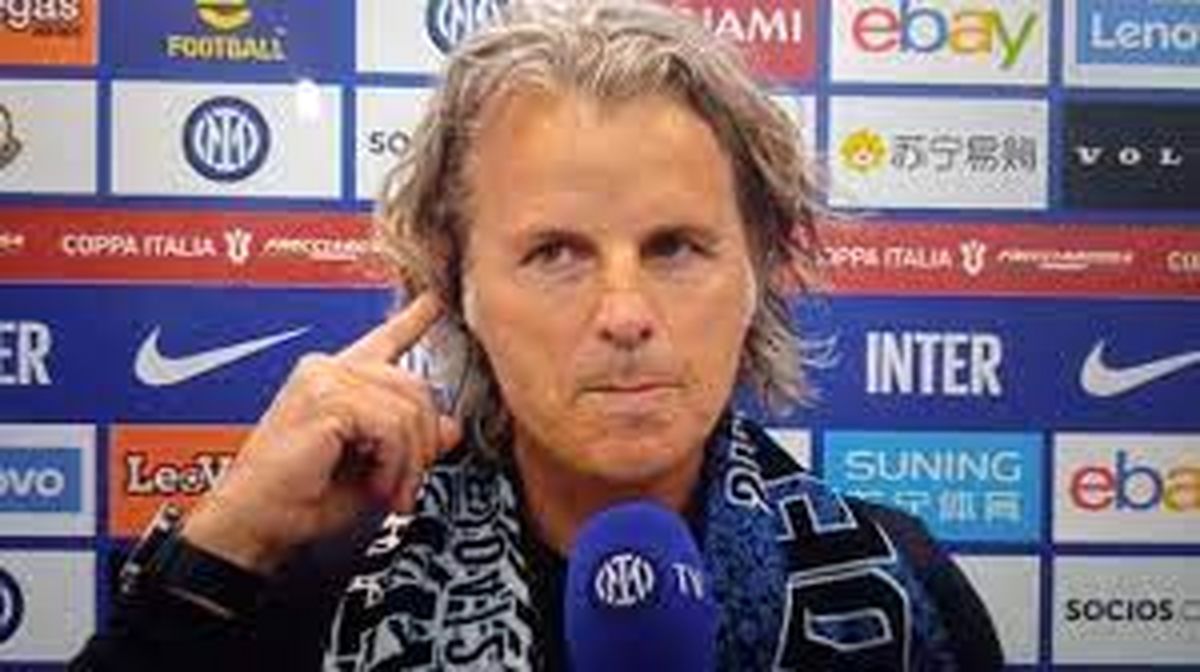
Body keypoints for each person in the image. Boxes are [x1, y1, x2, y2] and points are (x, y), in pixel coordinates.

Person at [72, 1, 1003, 670]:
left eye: (675, 247)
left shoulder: (902, 591)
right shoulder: (313, 589)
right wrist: (223, 545)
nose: (625, 313)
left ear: (758, 270)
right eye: (556, 252)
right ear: (454, 284)